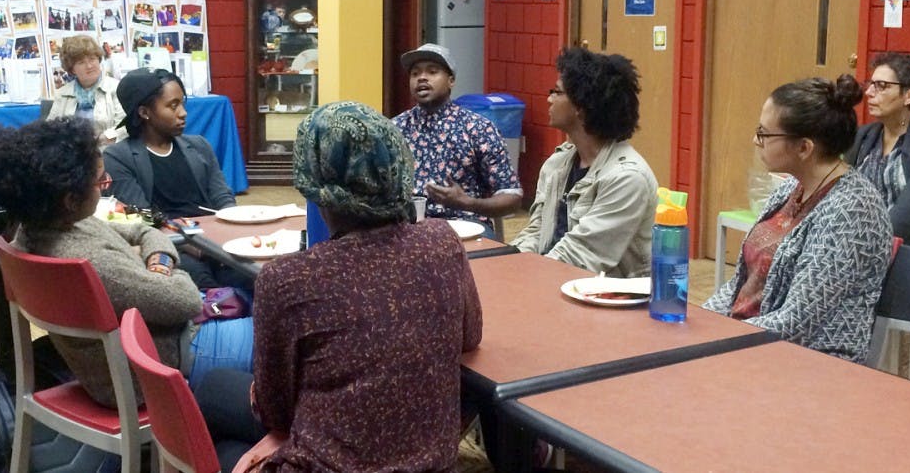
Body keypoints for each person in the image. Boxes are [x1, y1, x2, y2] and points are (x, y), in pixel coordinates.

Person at [0, 117, 254, 404]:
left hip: (142, 353)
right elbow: (186, 300)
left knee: (260, 300)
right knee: (289, 332)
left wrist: (156, 264)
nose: (107, 183)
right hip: (163, 361)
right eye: (101, 181)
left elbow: (140, 229)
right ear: (70, 199)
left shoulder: (44, 228)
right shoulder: (89, 260)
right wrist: (161, 267)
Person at [252, 101, 482, 472]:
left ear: (313, 184)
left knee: (217, 402)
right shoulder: (442, 241)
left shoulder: (286, 280)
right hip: (435, 464)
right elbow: (469, 338)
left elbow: (275, 412)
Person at [704, 75, 892, 363]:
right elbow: (740, 286)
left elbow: (797, 322)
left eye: (764, 134)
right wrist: (702, 322)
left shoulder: (853, 210)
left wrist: (715, 344)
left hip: (810, 362)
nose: (756, 140)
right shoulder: (791, 189)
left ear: (804, 148)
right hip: (752, 343)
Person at [510, 47, 657, 277]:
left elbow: (581, 256)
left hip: (611, 300)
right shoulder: (557, 164)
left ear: (581, 107)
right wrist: (508, 266)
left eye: (557, 92)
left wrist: (526, 280)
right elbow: (537, 233)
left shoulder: (627, 178)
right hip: (553, 281)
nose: (549, 99)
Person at [103, 67, 243, 289]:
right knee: (203, 284)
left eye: (182, 103)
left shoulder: (198, 146)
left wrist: (231, 229)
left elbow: (222, 196)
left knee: (253, 275)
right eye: (172, 105)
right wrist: (189, 240)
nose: (183, 112)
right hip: (168, 242)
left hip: (212, 237)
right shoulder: (118, 157)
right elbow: (139, 213)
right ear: (144, 112)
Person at [393, 43, 522, 237]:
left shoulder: (477, 128)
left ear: (451, 80)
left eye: (432, 71)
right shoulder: (395, 129)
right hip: (408, 229)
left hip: (465, 226)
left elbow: (512, 197)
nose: (422, 78)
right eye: (415, 73)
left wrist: (467, 202)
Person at [845, 52, 910, 250]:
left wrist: (863, 247)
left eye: (881, 86)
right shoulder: (863, 136)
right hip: (858, 246)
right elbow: (841, 190)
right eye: (870, 83)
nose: (869, 93)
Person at [47, 35, 126, 145]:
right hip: (71, 154)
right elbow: (50, 129)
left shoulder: (116, 88)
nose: (89, 66)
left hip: (109, 152)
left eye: (92, 59)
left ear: (99, 60)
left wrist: (101, 139)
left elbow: (125, 126)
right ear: (72, 69)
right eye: (81, 62)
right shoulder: (62, 93)